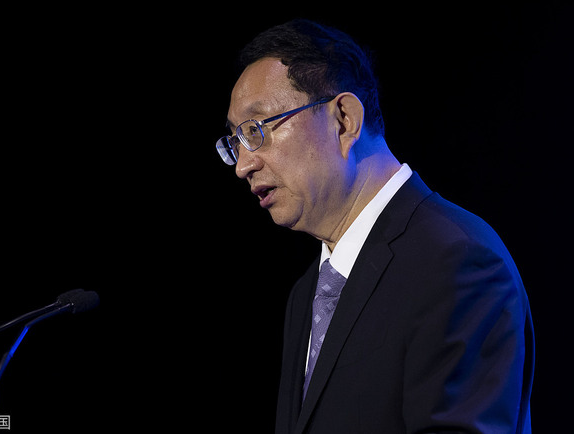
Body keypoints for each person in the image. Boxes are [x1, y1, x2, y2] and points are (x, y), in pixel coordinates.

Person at [215, 19, 533, 434]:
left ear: (344, 119)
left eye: (257, 131)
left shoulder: (457, 262)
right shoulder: (306, 292)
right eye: (236, 140)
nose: (243, 165)